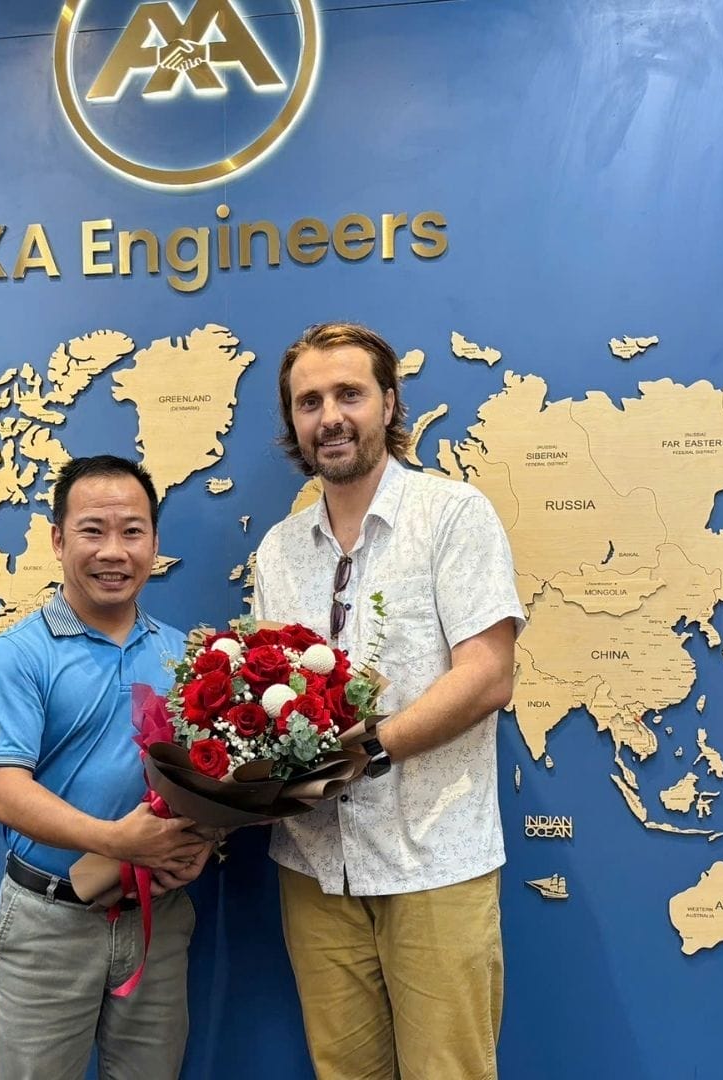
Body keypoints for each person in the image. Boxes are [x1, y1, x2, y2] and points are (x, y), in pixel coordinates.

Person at [251, 322, 526, 1080]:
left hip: (434, 861)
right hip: (315, 869)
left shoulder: (453, 516)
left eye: (349, 394)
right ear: (294, 424)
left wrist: (369, 749)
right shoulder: (278, 551)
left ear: (389, 403)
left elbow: (488, 674)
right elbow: (271, 703)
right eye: (309, 402)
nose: (330, 416)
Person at [0, 454, 212, 1080]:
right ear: (57, 540)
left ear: (155, 543)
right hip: (48, 925)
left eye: (133, 531)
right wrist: (115, 841)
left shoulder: (187, 658)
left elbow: (213, 782)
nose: (114, 551)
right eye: (92, 530)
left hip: (158, 922)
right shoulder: (17, 655)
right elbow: (4, 794)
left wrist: (206, 842)